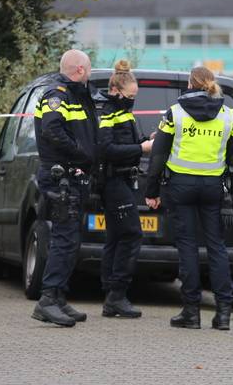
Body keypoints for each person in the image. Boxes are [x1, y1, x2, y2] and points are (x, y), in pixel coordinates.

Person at [145, 66, 233, 331]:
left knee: (187, 247)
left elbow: (158, 155)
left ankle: (191, 312)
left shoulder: (175, 113)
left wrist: (151, 192)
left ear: (190, 84)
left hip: (181, 188)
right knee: (216, 246)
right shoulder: (227, 115)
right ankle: (223, 313)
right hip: (213, 188)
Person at [31, 49, 99, 327]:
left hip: (72, 177)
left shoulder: (76, 95)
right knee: (63, 238)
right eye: (89, 68)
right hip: (60, 177)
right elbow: (52, 130)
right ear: (80, 70)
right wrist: (80, 154)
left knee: (71, 239)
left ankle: (58, 297)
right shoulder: (56, 95)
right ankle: (47, 300)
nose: (90, 73)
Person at [95, 60, 153, 318]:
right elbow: (106, 149)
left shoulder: (124, 112)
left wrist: (147, 141)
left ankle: (111, 295)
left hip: (125, 180)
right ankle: (117, 294)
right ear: (116, 91)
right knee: (131, 234)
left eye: (134, 97)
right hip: (113, 181)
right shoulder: (107, 112)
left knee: (116, 236)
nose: (132, 101)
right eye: (129, 97)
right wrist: (141, 149)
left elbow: (130, 141)